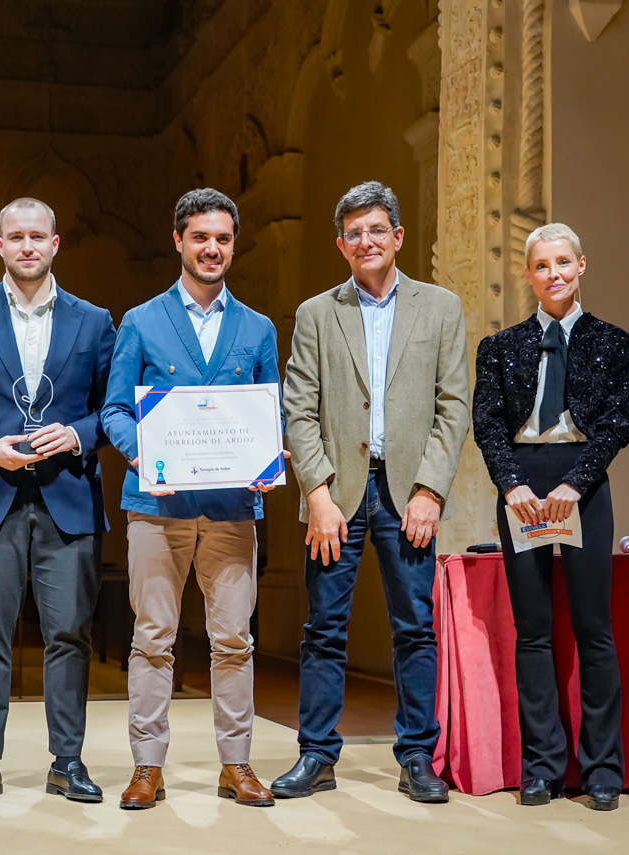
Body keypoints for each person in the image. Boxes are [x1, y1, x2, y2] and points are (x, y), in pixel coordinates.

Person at [275, 180, 468, 802]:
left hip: (408, 492)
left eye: (376, 230)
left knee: (415, 626)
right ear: (341, 244)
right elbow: (298, 410)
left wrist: (430, 491)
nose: (366, 241)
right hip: (338, 495)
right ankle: (316, 755)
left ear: (398, 237)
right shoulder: (315, 313)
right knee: (324, 627)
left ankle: (417, 756)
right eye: (353, 233)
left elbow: (453, 405)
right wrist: (318, 495)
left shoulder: (440, 308)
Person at [0, 197, 116, 804]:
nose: (28, 245)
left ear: (56, 244)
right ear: (0, 246)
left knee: (69, 636)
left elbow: (117, 408)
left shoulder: (94, 321)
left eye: (39, 236)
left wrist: (81, 434)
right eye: (17, 236)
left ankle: (68, 761)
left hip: (69, 500)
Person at [100, 188, 281, 809]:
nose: (212, 248)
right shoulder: (142, 320)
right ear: (178, 240)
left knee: (234, 641)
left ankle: (237, 765)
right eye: (200, 237)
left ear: (233, 244)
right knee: (153, 638)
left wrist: (269, 457)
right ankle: (146, 767)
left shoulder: (257, 328)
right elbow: (116, 410)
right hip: (158, 505)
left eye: (223, 238)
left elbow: (266, 413)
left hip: (233, 507)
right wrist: (144, 455)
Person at [472, 223, 629, 811]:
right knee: (534, 633)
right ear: (528, 274)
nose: (554, 275)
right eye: (542, 266)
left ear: (582, 265)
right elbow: (488, 424)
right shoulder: (498, 347)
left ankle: (601, 771)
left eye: (564, 263)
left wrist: (575, 482)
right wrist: (512, 483)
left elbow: (620, 424)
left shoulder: (619, 344)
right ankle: (542, 768)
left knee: (595, 631)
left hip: (584, 486)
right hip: (521, 486)